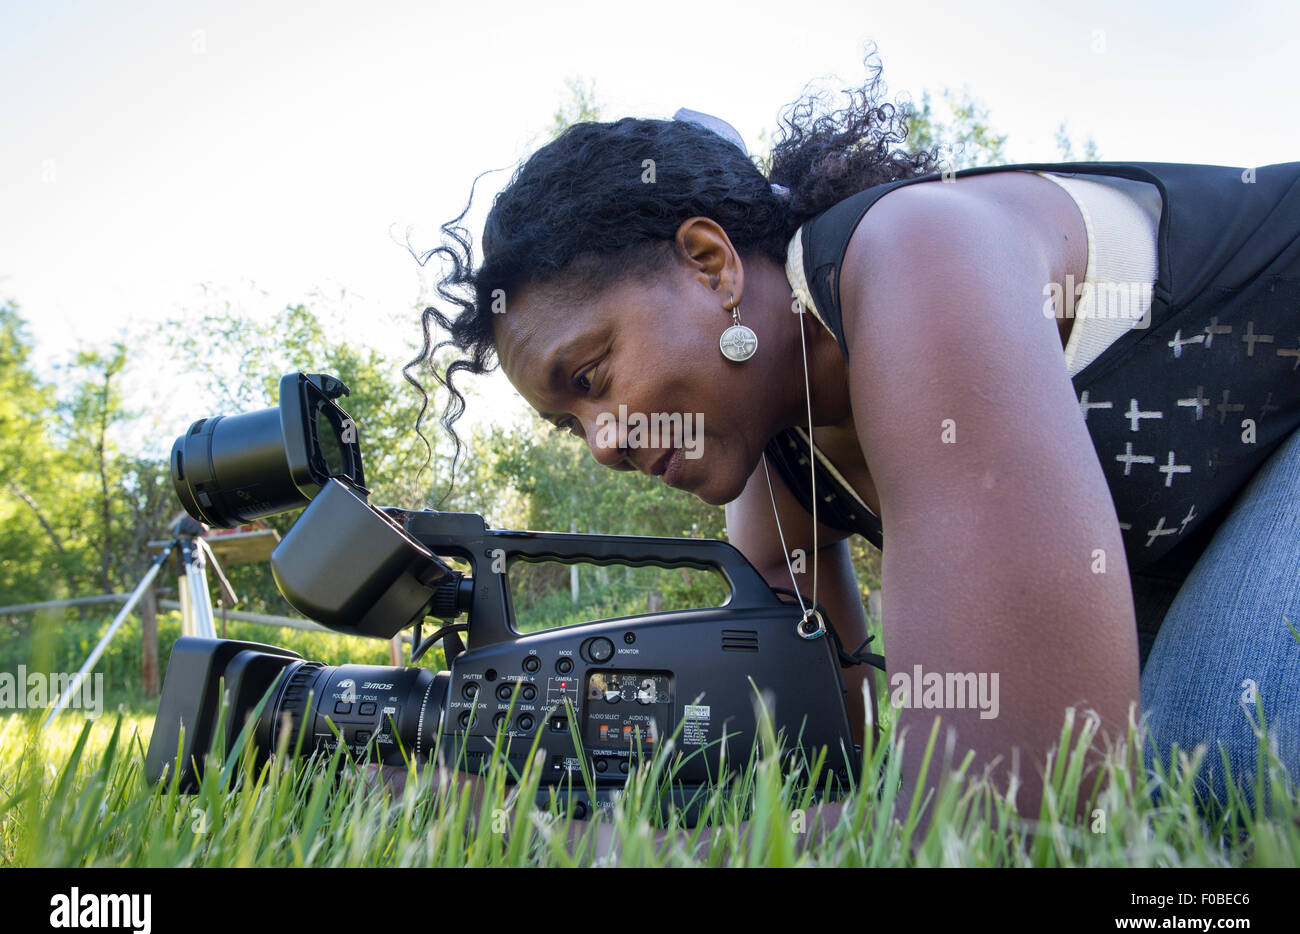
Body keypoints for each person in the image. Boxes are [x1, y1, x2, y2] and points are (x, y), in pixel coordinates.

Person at [407, 49, 1300, 825]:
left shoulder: (916, 250)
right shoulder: (778, 450)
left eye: (591, 377)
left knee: (1205, 769)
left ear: (711, 264)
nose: (598, 442)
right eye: (571, 424)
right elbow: (832, 743)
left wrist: (574, 850)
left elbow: (1004, 808)